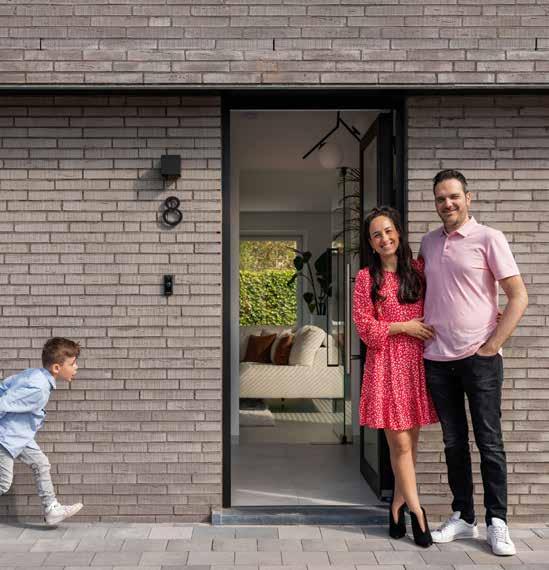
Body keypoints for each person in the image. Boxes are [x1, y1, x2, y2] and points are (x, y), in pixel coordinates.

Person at [420, 169, 528, 556]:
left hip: (479, 359)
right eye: (440, 198)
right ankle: (464, 516)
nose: (447, 203)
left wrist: (492, 345)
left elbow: (518, 296)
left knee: (489, 442)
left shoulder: (489, 238)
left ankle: (497, 521)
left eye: (453, 196)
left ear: (468, 198)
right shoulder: (428, 242)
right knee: (453, 443)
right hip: (437, 359)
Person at [353, 206, 438, 548]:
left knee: (410, 445)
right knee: (399, 444)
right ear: (371, 243)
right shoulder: (365, 278)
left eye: (388, 231)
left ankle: (397, 506)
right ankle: (417, 512)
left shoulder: (419, 271)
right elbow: (364, 326)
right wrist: (403, 326)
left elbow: (446, 301)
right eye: (376, 234)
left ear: (398, 233)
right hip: (385, 366)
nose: (384, 238)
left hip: (415, 365)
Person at [0, 337, 84, 525]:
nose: (76, 367)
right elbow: (3, 403)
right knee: (3, 484)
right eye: (72, 364)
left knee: (41, 463)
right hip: (5, 439)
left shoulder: (33, 374)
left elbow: (4, 387)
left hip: (20, 436)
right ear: (57, 368)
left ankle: (51, 509)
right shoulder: (38, 388)